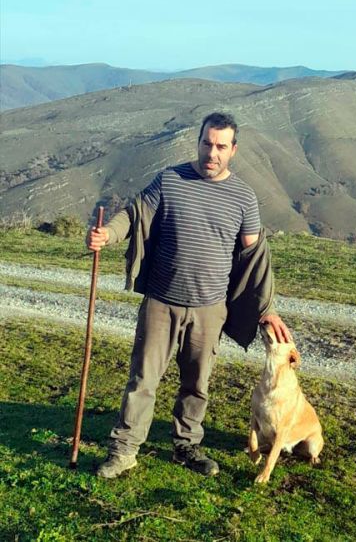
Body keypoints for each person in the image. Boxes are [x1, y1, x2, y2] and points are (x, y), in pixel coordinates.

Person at [86, 112, 292, 478]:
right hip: (161, 303)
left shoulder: (244, 197)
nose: (211, 153)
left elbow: (255, 258)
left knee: (197, 384)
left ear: (233, 150)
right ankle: (124, 450)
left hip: (210, 310)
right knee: (143, 380)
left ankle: (186, 447)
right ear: (198, 141)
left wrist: (269, 308)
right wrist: (108, 235)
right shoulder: (169, 179)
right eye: (206, 143)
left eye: (220, 146)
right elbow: (133, 215)